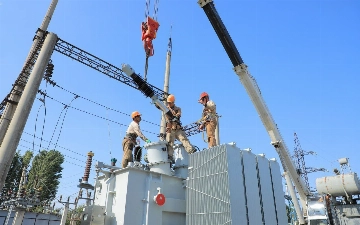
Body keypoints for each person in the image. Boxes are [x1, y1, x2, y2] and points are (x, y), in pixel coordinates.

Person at [165, 94, 196, 161]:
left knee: (184, 139)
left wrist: (176, 116)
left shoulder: (178, 109)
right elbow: (167, 118)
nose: (169, 104)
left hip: (177, 128)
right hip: (170, 128)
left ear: (173, 102)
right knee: (170, 143)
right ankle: (169, 156)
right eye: (168, 103)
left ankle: (190, 150)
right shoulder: (166, 109)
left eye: (170, 102)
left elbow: (179, 114)